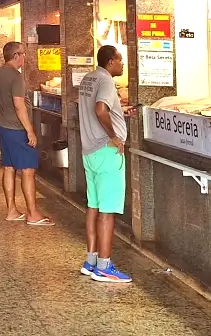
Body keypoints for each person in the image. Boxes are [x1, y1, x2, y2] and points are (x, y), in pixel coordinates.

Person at [78, 45, 132, 283]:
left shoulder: (89, 78)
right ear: (111, 61)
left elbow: (100, 109)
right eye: (120, 61)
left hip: (90, 152)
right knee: (107, 212)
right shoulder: (107, 81)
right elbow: (100, 110)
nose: (122, 65)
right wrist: (114, 135)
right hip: (107, 152)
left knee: (93, 207)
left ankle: (90, 261)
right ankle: (104, 266)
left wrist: (119, 113)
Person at [0, 42, 54, 226]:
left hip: (2, 126)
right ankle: (32, 213)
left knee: (9, 168)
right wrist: (30, 131)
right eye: (23, 54)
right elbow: (19, 106)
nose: (25, 57)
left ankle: (11, 210)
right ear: (16, 55)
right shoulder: (16, 77)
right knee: (28, 170)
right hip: (17, 129)